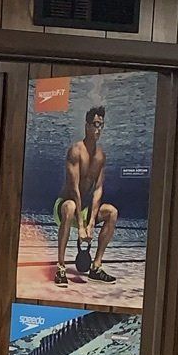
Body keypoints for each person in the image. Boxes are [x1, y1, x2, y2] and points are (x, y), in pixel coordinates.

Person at [54, 102, 118, 286]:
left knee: (112, 212)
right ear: (87, 126)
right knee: (70, 206)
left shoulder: (101, 156)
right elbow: (74, 189)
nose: (98, 129)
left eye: (101, 125)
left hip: (85, 209)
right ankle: (60, 268)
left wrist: (91, 224)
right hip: (65, 205)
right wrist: (81, 226)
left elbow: (98, 189)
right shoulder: (75, 151)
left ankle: (96, 268)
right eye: (95, 125)